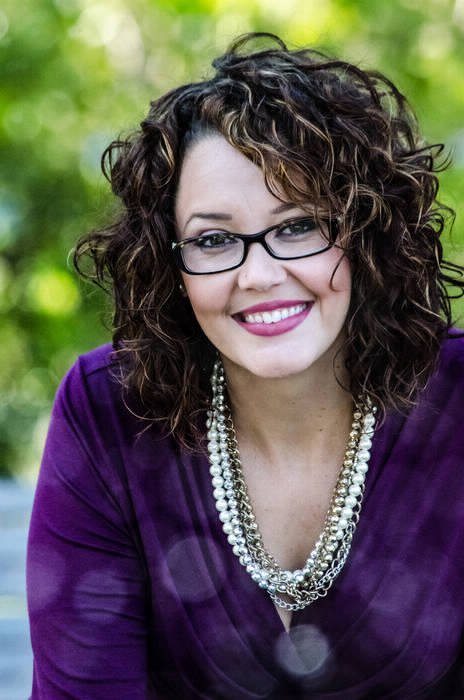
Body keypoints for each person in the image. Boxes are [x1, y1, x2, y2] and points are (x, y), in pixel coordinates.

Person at [26, 32, 464, 699]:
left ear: (365, 230)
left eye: (298, 225)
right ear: (169, 265)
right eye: (213, 239)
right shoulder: (109, 412)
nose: (258, 275)